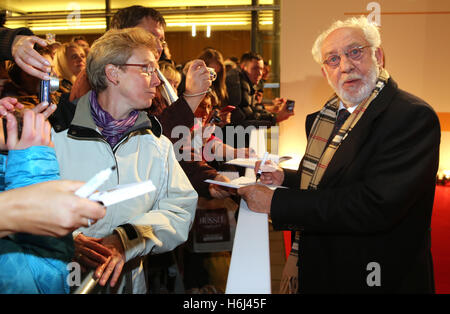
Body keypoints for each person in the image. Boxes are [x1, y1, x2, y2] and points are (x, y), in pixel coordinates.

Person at [237, 16, 440, 293]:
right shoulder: (327, 117)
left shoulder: (411, 116)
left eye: (355, 52)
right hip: (327, 268)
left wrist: (277, 202)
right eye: (333, 59)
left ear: (378, 56)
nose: (345, 66)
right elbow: (333, 182)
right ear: (324, 72)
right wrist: (286, 178)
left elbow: (373, 205)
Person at [51, 27, 198, 294]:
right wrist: (64, 241)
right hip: (56, 282)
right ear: (113, 73)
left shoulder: (156, 144)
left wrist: (126, 239)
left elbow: (180, 209)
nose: (157, 81)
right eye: (147, 69)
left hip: (128, 285)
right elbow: (18, 205)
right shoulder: (54, 135)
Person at [226, 51, 293, 128]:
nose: (260, 73)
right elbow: (244, 119)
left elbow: (253, 110)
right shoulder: (236, 82)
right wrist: (275, 118)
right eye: (255, 68)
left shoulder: (247, 83)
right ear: (243, 67)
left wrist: (273, 115)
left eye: (261, 69)